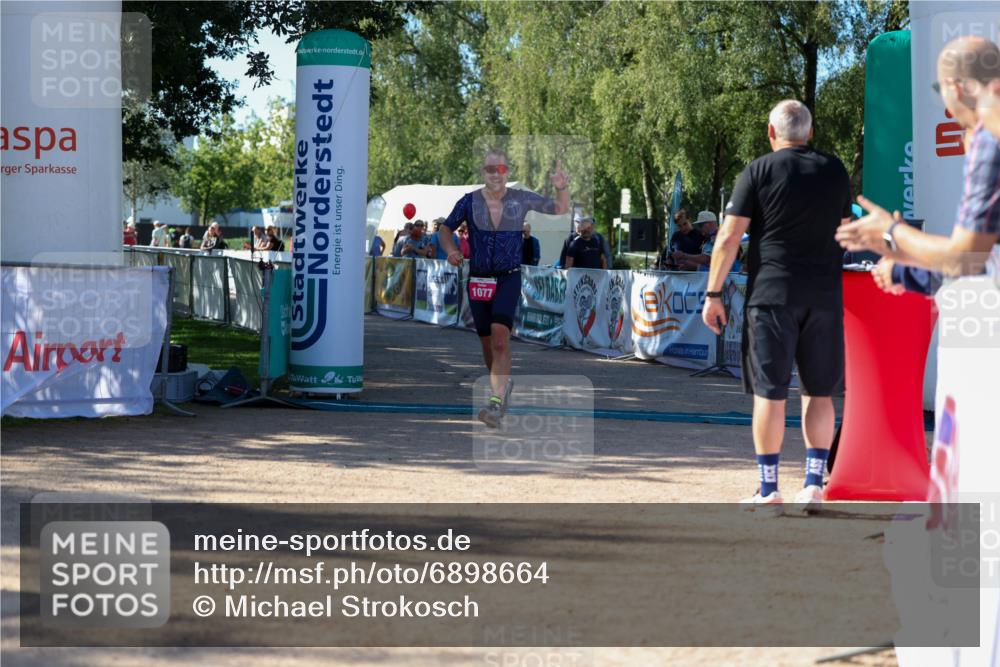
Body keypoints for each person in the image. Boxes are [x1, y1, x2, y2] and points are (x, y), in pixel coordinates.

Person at [702, 99, 853, 512]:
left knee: (770, 394)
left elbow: (728, 238)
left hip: (772, 295)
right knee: (819, 392)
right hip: (824, 295)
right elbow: (846, 232)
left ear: (771, 132)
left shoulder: (757, 171)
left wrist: (714, 295)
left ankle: (769, 488)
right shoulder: (835, 170)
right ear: (811, 131)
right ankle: (814, 484)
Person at [836, 36, 1000, 281]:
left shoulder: (988, 140)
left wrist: (891, 232)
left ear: (955, 89)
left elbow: (966, 257)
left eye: (939, 91)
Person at [438, 149, 570, 427]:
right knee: (487, 342)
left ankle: (496, 403)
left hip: (508, 277)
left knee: (500, 338)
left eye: (499, 169)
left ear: (506, 172)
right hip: (478, 278)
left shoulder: (520, 198)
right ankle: (502, 386)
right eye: (489, 169)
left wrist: (562, 189)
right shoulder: (469, 201)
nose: (495, 174)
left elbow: (559, 209)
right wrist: (450, 250)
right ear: (483, 173)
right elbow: (446, 229)